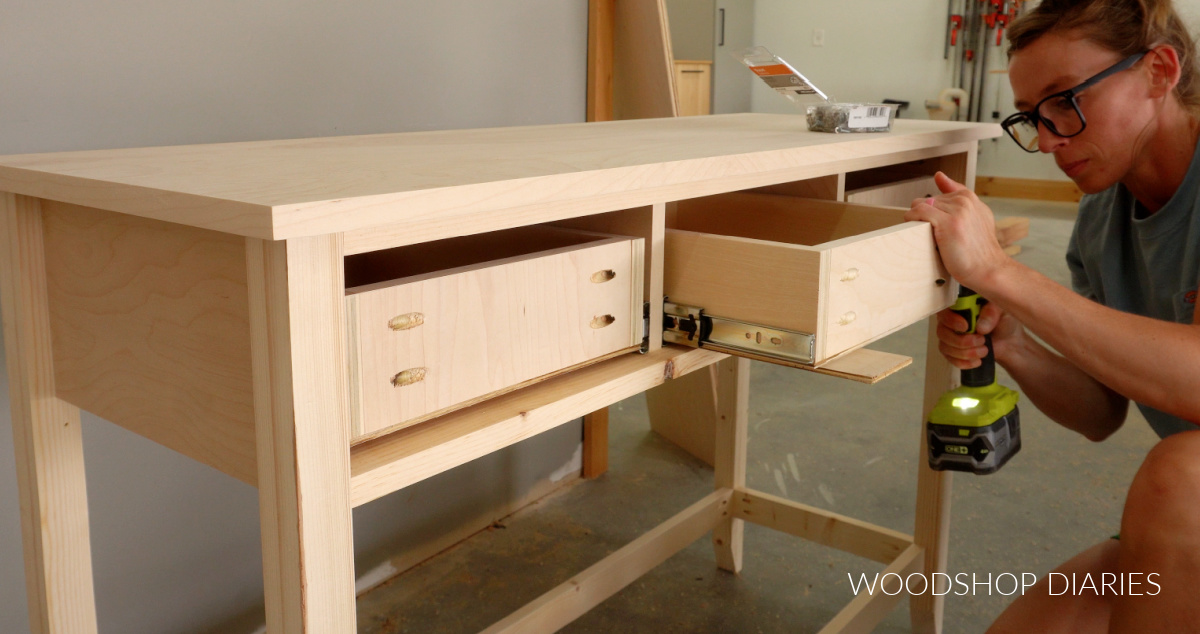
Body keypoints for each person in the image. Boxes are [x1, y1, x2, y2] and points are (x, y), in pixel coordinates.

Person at [905, 0, 1200, 631]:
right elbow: (1101, 412)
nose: (1046, 140)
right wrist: (1014, 341)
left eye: (1065, 99)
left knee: (1181, 479)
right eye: (1032, 118)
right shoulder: (1101, 219)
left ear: (1159, 71)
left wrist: (1000, 273)